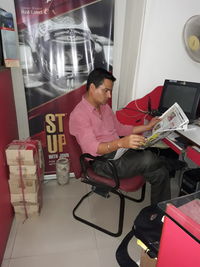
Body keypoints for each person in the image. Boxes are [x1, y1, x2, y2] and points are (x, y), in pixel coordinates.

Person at [69, 68, 171, 205]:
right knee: (148, 158)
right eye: (106, 90)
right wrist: (121, 143)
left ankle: (161, 214)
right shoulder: (79, 115)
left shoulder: (104, 107)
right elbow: (93, 148)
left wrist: (148, 127)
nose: (109, 95)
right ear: (92, 88)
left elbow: (121, 128)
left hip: (119, 152)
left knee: (161, 172)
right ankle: (169, 162)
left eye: (110, 91)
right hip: (102, 161)